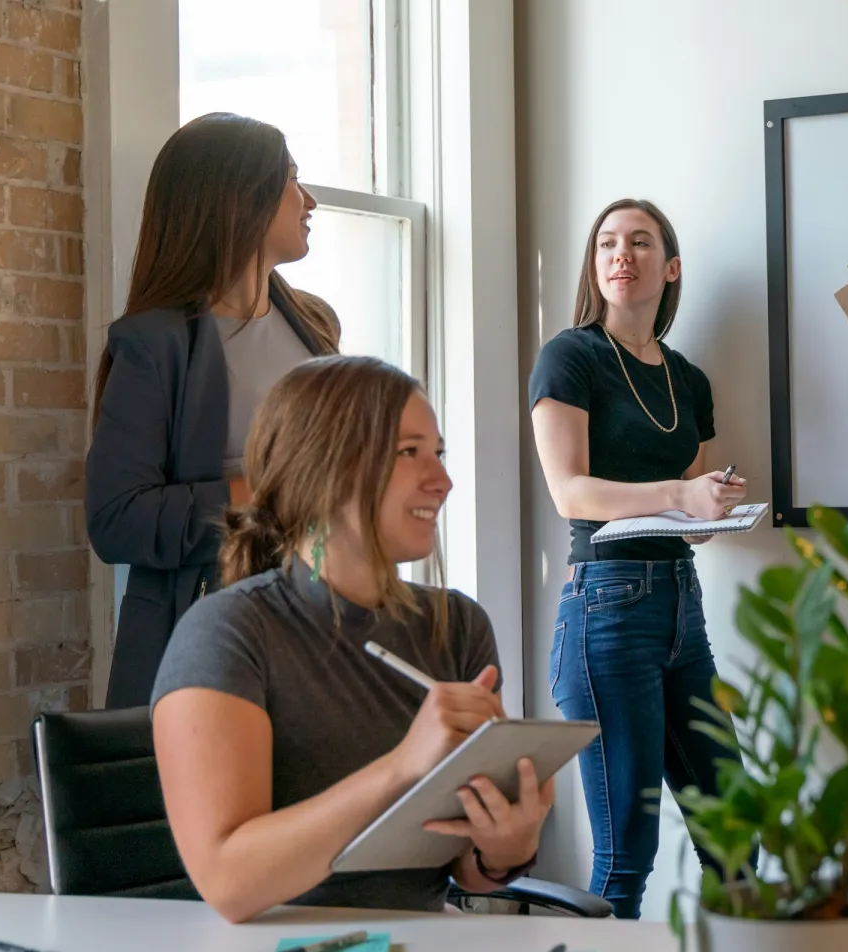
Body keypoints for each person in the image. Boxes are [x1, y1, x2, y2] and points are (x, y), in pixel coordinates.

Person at [151, 355, 550, 921]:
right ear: (325, 468)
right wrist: (402, 767)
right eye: (409, 453)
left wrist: (504, 848)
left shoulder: (458, 626)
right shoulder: (226, 633)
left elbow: (462, 864)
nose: (442, 481)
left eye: (439, 453)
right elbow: (227, 881)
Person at [527, 199, 746, 918]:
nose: (622, 254)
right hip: (607, 609)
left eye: (641, 242)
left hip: (681, 601)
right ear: (596, 267)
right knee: (628, 854)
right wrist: (682, 495)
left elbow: (679, 511)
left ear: (671, 267)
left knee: (734, 837)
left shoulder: (688, 380)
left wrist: (708, 506)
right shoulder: (571, 355)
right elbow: (570, 493)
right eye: (608, 244)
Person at [86, 113, 340, 709]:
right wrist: (269, 492)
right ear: (239, 198)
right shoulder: (155, 345)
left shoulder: (316, 327)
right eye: (292, 180)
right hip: (209, 638)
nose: (309, 201)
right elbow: (116, 518)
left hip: (319, 625)